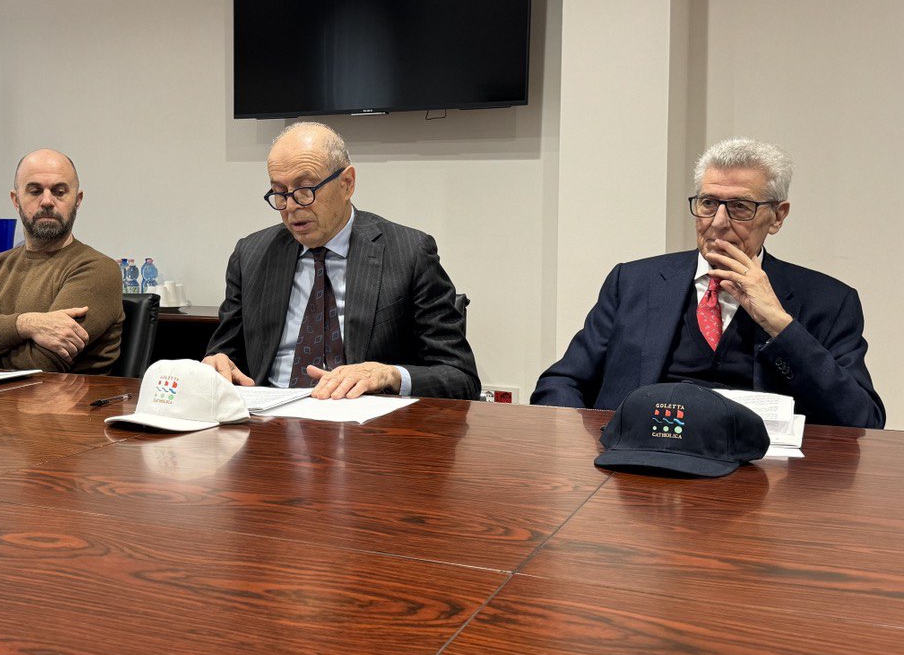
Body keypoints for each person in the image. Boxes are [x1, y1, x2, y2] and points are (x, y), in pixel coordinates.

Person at [531, 139, 884, 429]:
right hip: (638, 463)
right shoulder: (634, 282)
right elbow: (560, 383)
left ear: (777, 216)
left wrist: (781, 325)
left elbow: (862, 420)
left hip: (761, 474)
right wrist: (591, 447)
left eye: (740, 207)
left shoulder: (829, 301)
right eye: (708, 203)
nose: (717, 222)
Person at [202, 122, 479, 400]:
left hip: (364, 419)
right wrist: (217, 364)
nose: (291, 206)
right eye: (279, 193)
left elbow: (460, 377)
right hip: (267, 415)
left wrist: (389, 375)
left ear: (347, 183)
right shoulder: (250, 255)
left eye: (305, 190)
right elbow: (225, 355)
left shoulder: (409, 253)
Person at [0, 149, 122, 372]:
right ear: (16, 200)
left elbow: (42, 364)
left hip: (58, 395)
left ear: (77, 201)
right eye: (35, 191)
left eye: (60, 192)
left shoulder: (97, 270)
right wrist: (25, 324)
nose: (47, 201)